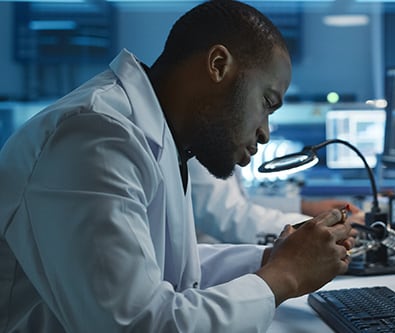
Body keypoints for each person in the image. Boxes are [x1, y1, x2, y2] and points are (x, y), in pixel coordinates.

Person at [0, 1, 355, 331]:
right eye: (266, 102)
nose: (264, 133)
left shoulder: (156, 135)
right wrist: (285, 275)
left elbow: (166, 269)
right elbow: (136, 323)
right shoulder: (96, 135)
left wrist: (271, 258)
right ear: (218, 66)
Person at [190, 159, 364, 244]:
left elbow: (241, 201)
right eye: (267, 102)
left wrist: (307, 207)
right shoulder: (199, 149)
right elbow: (229, 216)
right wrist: (321, 226)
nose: (264, 133)